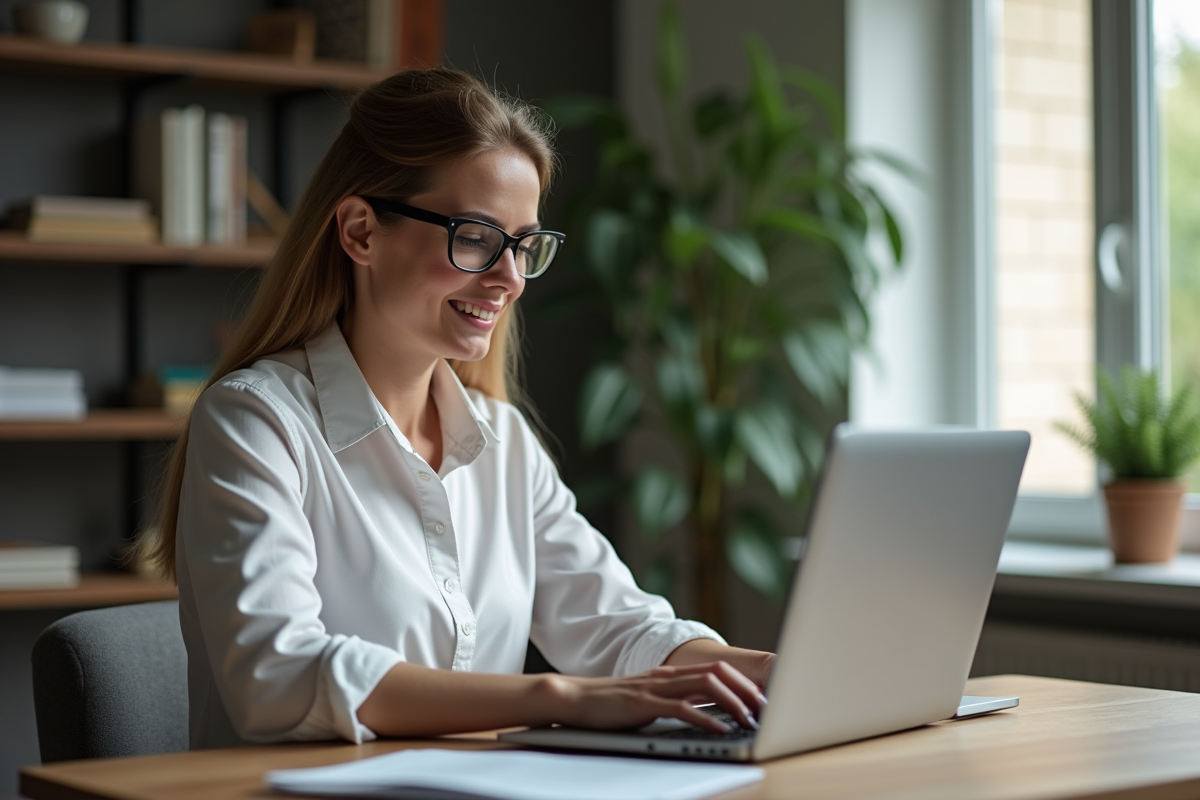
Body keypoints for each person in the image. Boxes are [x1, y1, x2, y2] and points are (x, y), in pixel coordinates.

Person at [141, 67, 774, 749]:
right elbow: (278, 674)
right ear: (360, 232)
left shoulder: (502, 440)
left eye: (525, 245)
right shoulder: (256, 423)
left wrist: (778, 674)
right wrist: (559, 697)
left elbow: (619, 627)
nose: (508, 278)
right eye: (474, 237)